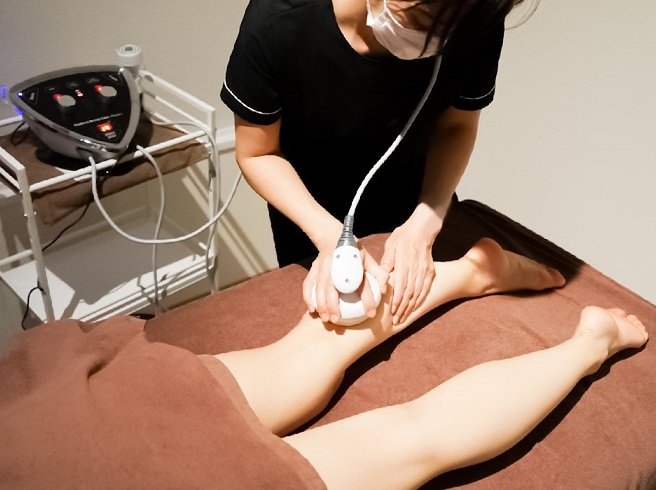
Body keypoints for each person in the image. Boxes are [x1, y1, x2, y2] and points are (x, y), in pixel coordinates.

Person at [0, 239, 648, 488]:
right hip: (43, 429)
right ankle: (471, 272)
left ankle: (587, 342)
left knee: (415, 437)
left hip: (58, 452)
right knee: (302, 356)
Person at [221, 0, 529, 326]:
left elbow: (456, 126)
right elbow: (257, 153)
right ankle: (477, 271)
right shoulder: (278, 20)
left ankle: (477, 271)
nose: (437, 40)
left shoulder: (471, 16)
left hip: (420, 209)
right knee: (337, 322)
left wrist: (426, 220)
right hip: (311, 217)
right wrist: (329, 237)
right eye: (421, 19)